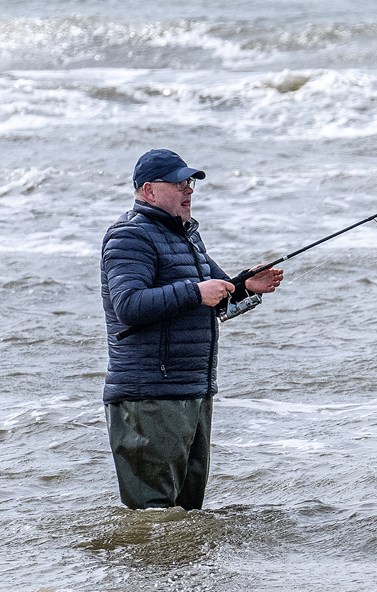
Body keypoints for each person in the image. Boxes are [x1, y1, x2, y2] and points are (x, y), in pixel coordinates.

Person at [99, 148, 284, 510]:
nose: (188, 191)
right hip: (149, 396)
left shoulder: (187, 236)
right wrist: (194, 291)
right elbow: (129, 305)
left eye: (190, 184)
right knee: (152, 515)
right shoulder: (129, 236)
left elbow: (215, 295)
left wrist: (247, 285)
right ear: (149, 190)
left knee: (185, 515)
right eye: (179, 183)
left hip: (192, 389)